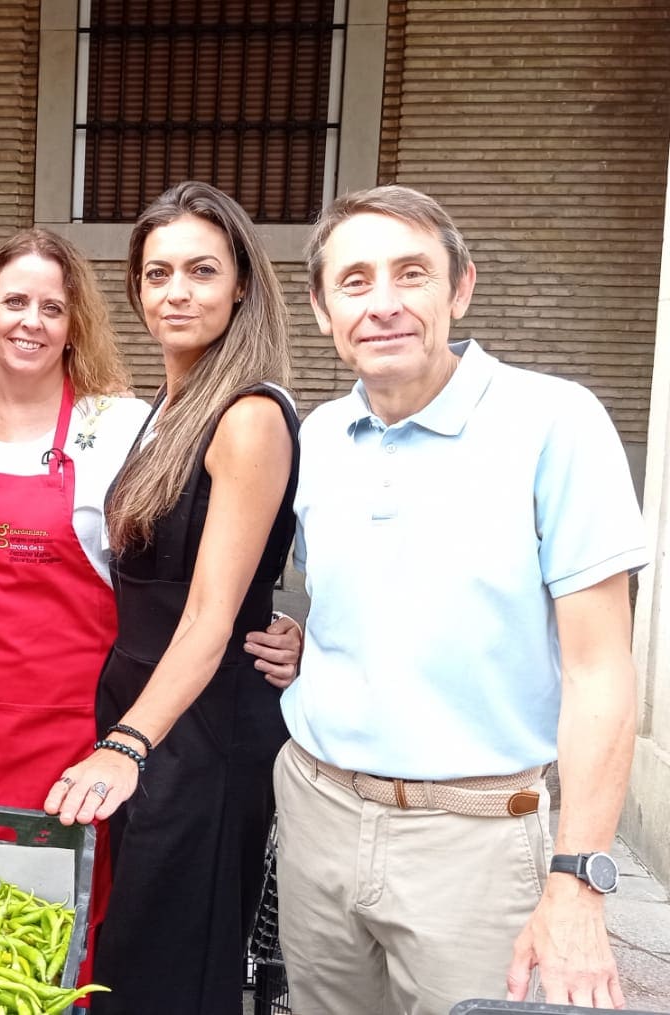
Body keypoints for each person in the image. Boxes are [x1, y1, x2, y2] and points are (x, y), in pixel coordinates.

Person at [257, 185, 644, 1013]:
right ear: (323, 309)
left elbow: (602, 670)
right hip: (318, 812)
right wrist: (302, 635)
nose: (385, 303)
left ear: (459, 287)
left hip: (473, 836)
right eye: (355, 282)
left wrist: (580, 880)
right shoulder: (318, 438)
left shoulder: (555, 422)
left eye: (412, 274)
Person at [46, 182, 300, 1015]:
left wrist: (126, 744)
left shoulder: (249, 415)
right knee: (134, 948)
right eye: (158, 274)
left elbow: (210, 617)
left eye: (200, 270)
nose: (176, 292)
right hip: (150, 703)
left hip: (202, 726)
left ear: (240, 286)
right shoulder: (167, 407)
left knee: (172, 968)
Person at [0, 227, 143, 815]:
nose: (31, 322)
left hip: (66, 735)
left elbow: (167, 587)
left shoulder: (118, 423)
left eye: (53, 309)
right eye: (14, 302)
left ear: (74, 328)